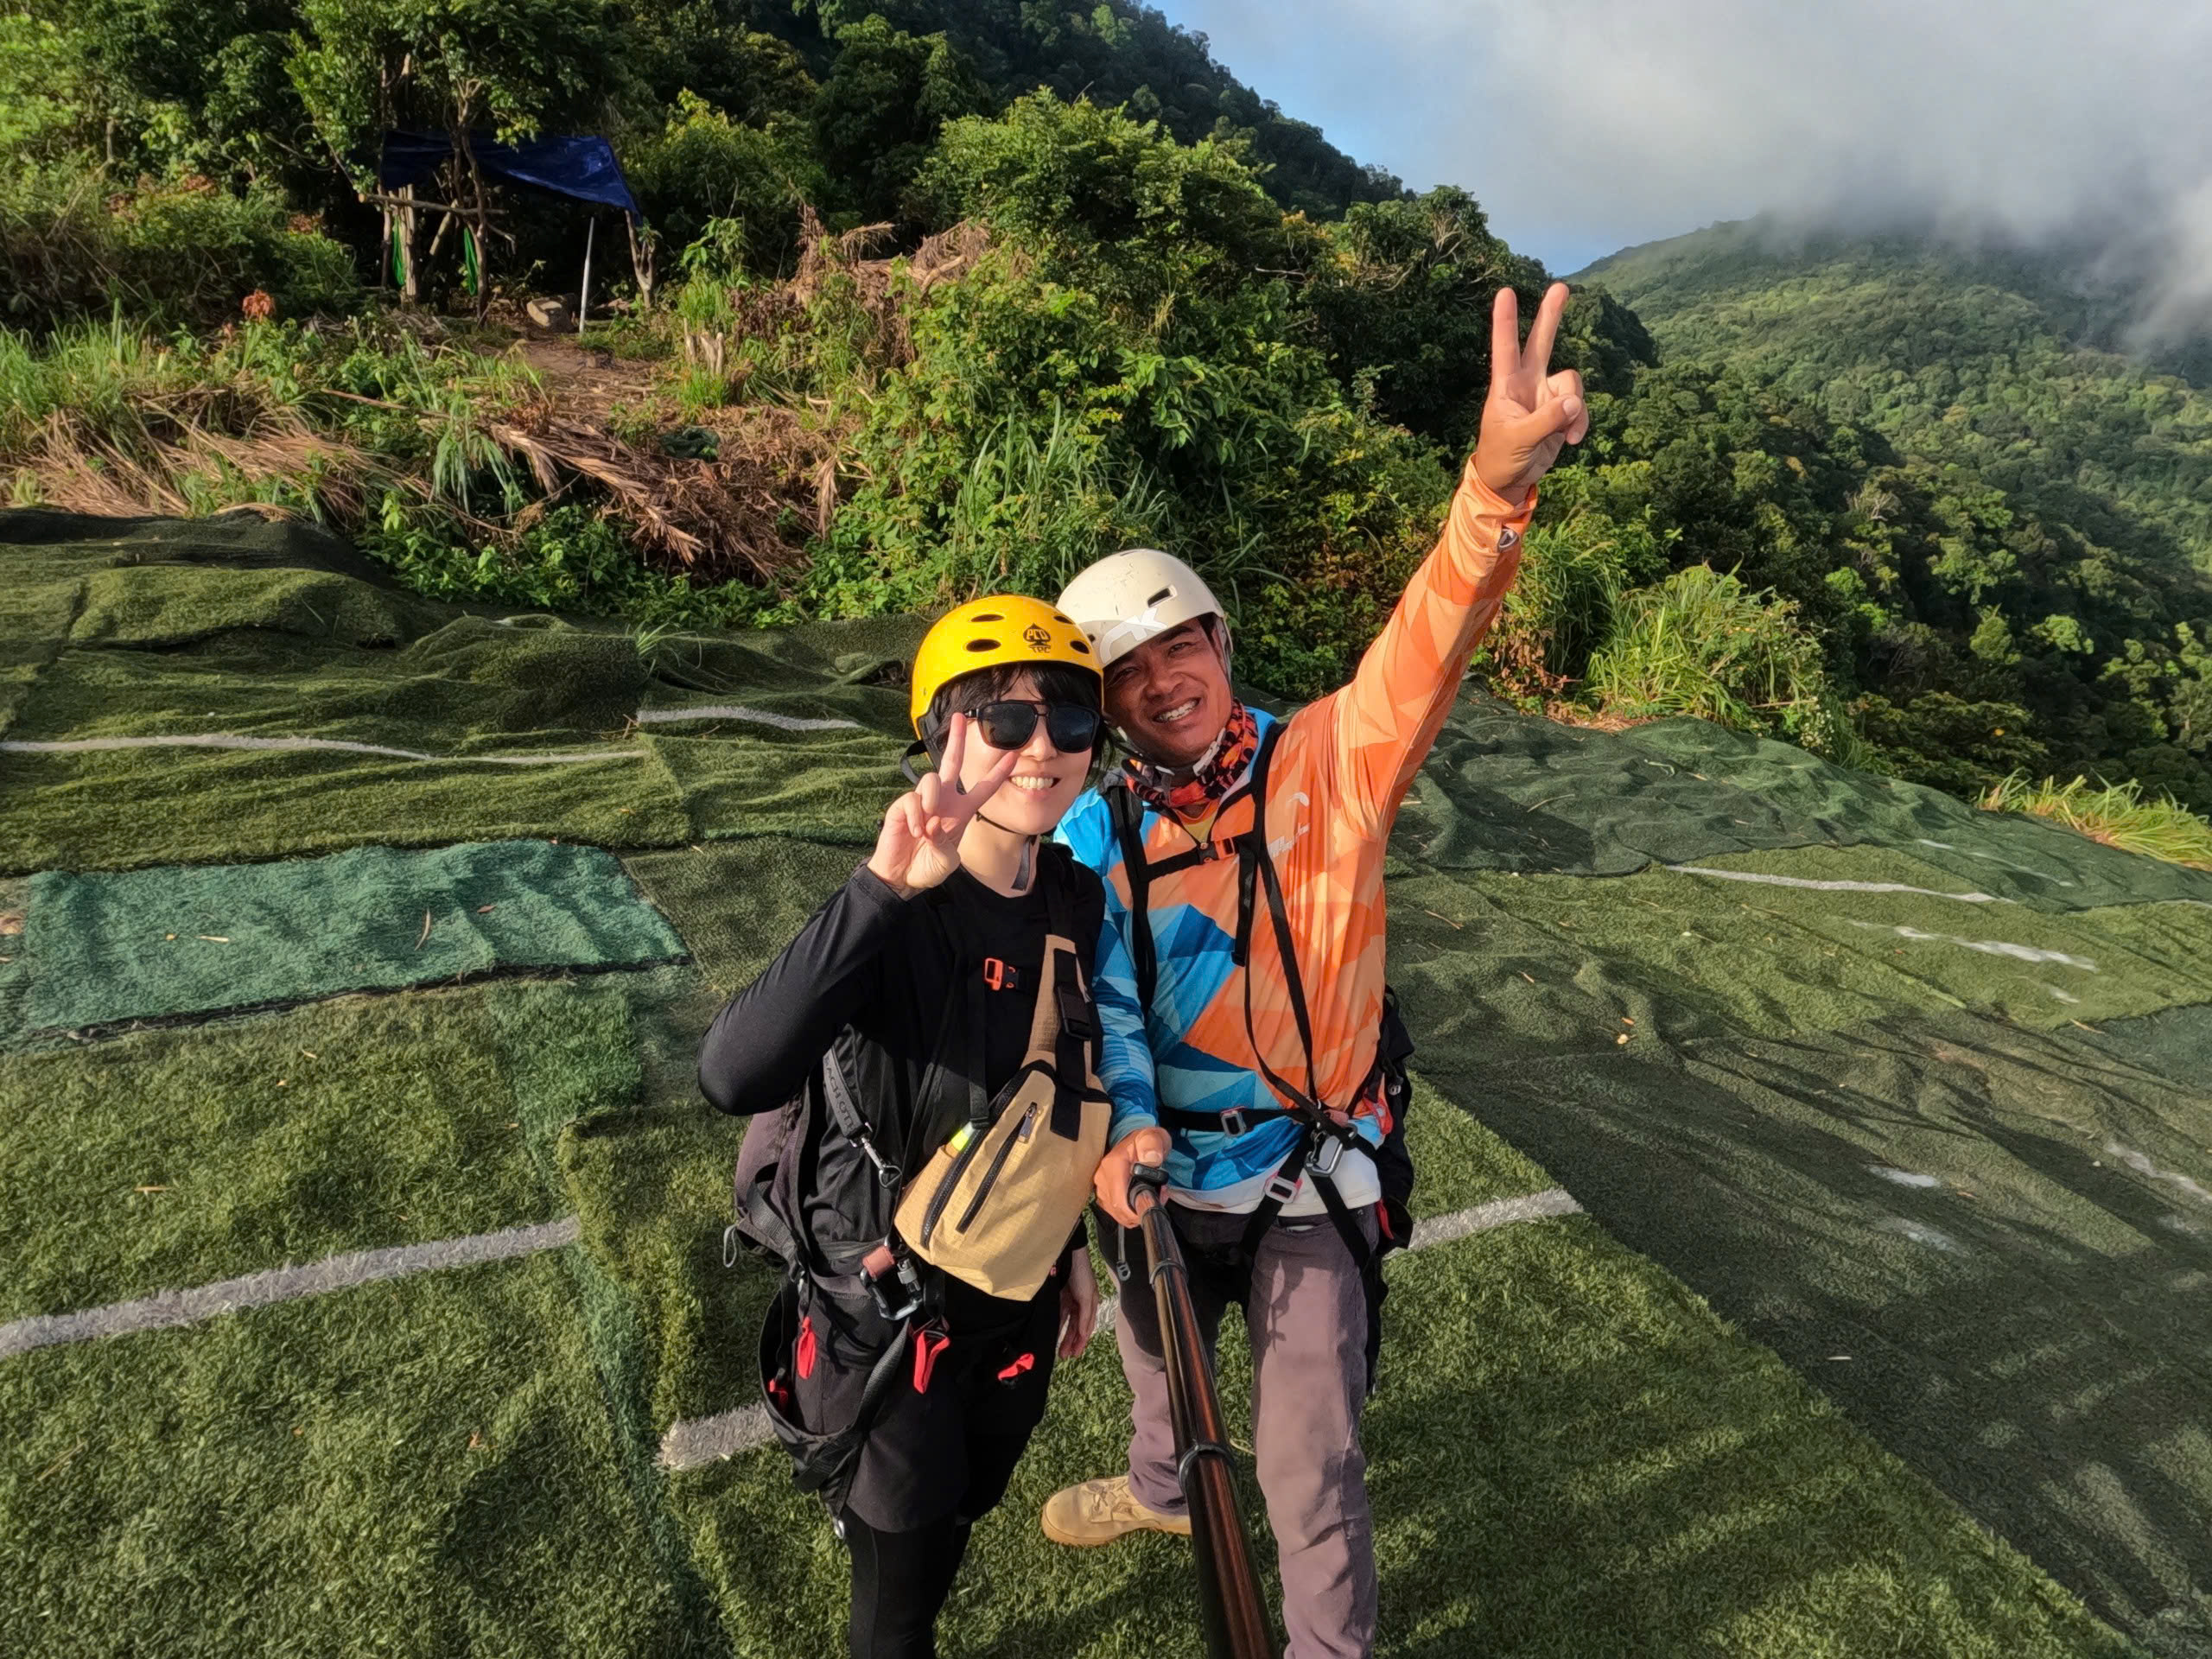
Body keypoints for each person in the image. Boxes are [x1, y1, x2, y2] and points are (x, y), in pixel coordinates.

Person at [1038, 283, 1590, 1657]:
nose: (1168, 682)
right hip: (1166, 1170)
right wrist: (1125, 1128)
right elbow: (1099, 990)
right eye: (1131, 671)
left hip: (1307, 1181)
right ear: (1103, 703)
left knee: (1307, 1469)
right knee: (1160, 1369)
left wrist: (1492, 495)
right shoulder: (1097, 825)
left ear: (1222, 645)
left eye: (1185, 647)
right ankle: (1163, 1491)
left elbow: (1430, 642)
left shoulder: (1331, 761)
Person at [699, 596, 1133, 1659]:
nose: (1040, 751)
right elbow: (732, 1070)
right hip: (885, 1313)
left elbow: (1052, 1082)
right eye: (1004, 721)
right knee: (895, 1599)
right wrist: (883, 886)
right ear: (941, 736)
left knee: (963, 1510)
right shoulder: (895, 911)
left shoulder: (1074, 898)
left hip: (1012, 1286)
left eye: (1070, 724)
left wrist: (1067, 1248)